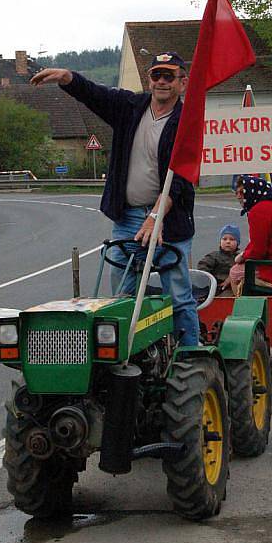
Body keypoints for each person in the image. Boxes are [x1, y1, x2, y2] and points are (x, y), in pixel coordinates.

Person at [30, 52, 199, 346]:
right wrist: (68, 78)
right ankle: (130, 359)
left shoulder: (187, 123)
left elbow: (181, 181)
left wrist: (155, 218)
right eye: (156, 75)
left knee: (180, 297)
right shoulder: (130, 107)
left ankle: (190, 354)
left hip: (169, 221)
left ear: (182, 83)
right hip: (128, 218)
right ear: (149, 80)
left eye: (169, 76)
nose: (161, 82)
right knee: (122, 297)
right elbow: (96, 95)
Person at [230, 175, 272, 289]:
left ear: (252, 192)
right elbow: (259, 241)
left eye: (242, 192)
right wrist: (244, 254)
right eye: (236, 193)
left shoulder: (258, 212)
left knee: (235, 272)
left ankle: (244, 304)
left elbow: (258, 251)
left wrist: (242, 257)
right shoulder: (271, 207)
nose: (238, 197)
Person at [198, 224, 240, 294]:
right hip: (218, 288)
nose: (228, 242)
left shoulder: (240, 258)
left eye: (232, 239)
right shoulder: (213, 256)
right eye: (224, 239)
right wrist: (213, 283)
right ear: (220, 241)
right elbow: (202, 268)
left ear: (237, 243)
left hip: (235, 287)